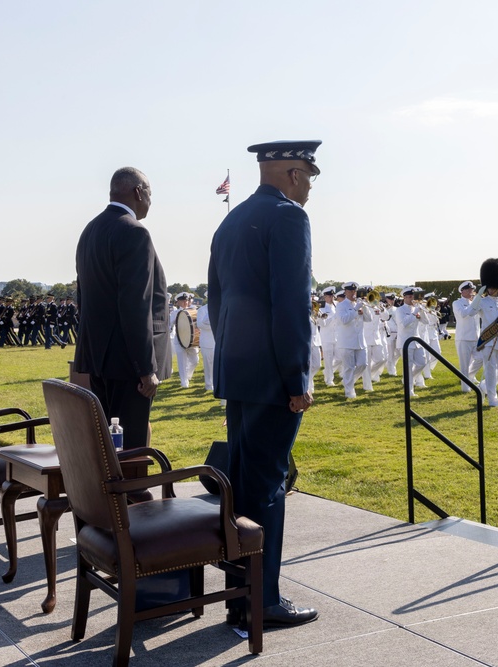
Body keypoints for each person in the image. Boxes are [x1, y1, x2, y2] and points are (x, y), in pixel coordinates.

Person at [207, 139, 320, 628]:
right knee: (268, 488)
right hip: (274, 378)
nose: (312, 185)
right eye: (310, 175)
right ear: (292, 174)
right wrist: (296, 378)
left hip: (239, 373)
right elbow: (291, 306)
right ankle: (263, 599)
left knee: (245, 485)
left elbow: (216, 303)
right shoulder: (289, 218)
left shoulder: (230, 221)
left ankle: (241, 595)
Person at [74, 167, 171, 451]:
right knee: (130, 448)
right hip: (129, 365)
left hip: (100, 359)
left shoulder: (90, 231)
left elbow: (85, 299)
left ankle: (109, 495)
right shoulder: (134, 232)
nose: (150, 202)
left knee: (108, 443)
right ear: (138, 192)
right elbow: (136, 305)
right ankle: (132, 496)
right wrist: (145, 368)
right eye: (150, 194)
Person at [473, 258, 498, 407]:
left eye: (494, 287)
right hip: (488, 340)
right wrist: (478, 296)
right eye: (489, 287)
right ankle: (492, 399)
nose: (491, 289)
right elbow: (470, 313)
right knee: (490, 370)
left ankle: (482, 387)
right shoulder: (482, 302)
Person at [335, 281, 372, 399]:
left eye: (354, 291)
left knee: (363, 364)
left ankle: (348, 381)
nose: (353, 293)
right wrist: (355, 310)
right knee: (349, 367)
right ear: (345, 292)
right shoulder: (341, 305)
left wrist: (365, 308)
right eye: (350, 291)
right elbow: (344, 320)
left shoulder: (359, 303)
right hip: (347, 341)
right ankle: (349, 391)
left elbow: (369, 319)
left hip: (360, 341)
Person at [395, 286, 427, 394]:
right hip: (404, 342)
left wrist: (422, 311)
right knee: (408, 367)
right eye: (409, 297)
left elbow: (426, 322)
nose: (411, 299)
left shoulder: (416, 308)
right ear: (404, 298)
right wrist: (415, 313)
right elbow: (403, 324)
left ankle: (407, 379)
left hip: (417, 341)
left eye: (412, 296)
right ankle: (410, 391)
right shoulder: (400, 310)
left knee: (422, 363)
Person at [452, 281, 481, 391]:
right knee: (464, 365)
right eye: (468, 290)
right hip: (463, 338)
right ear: (462, 291)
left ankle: (469, 376)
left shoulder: (474, 302)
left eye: (472, 290)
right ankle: (465, 388)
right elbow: (464, 314)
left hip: (475, 337)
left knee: (480, 359)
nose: (471, 292)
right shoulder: (457, 303)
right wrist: (474, 303)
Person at [171, 292, 200, 387]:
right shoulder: (175, 313)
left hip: (192, 340)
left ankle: (187, 375)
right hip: (179, 340)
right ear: (178, 302)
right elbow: (169, 326)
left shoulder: (194, 311)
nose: (185, 302)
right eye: (182, 301)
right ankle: (184, 382)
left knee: (195, 360)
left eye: (186, 300)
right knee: (182, 362)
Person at [317, 286, 339, 387]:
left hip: (337, 337)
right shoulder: (321, 308)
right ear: (325, 297)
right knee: (328, 359)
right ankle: (329, 379)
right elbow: (323, 324)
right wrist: (335, 317)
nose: (331, 298)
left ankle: (328, 372)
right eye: (329, 296)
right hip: (327, 338)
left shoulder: (336, 306)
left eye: (332, 296)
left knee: (340, 358)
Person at [196, 294, 216, 391]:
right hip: (207, 342)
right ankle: (209, 385)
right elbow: (200, 324)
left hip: (218, 341)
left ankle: (217, 384)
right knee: (208, 365)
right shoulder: (202, 310)